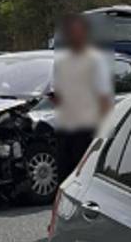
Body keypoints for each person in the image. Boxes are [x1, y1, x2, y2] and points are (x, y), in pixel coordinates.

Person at [49, 13, 114, 185]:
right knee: (63, 173)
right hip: (65, 125)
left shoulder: (95, 61)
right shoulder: (61, 62)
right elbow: (57, 93)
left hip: (86, 126)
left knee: (81, 173)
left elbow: (103, 96)